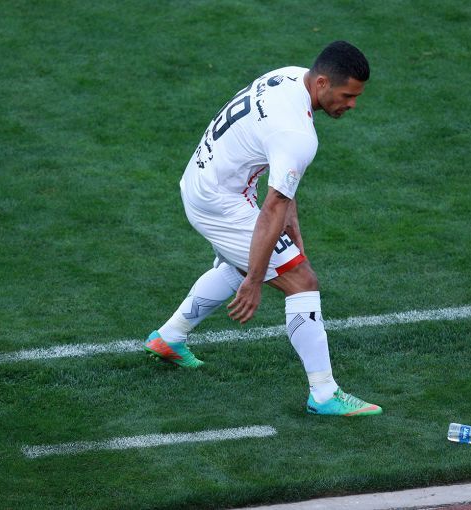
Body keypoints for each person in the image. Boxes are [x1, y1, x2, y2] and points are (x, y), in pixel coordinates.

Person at [144, 41, 382, 417]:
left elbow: (279, 172)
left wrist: (291, 221)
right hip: (220, 202)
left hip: (201, 181)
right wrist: (255, 280)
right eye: (347, 95)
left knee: (243, 260)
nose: (352, 104)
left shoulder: (288, 76)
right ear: (322, 83)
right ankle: (324, 394)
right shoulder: (299, 134)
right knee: (301, 280)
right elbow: (273, 206)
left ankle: (169, 338)